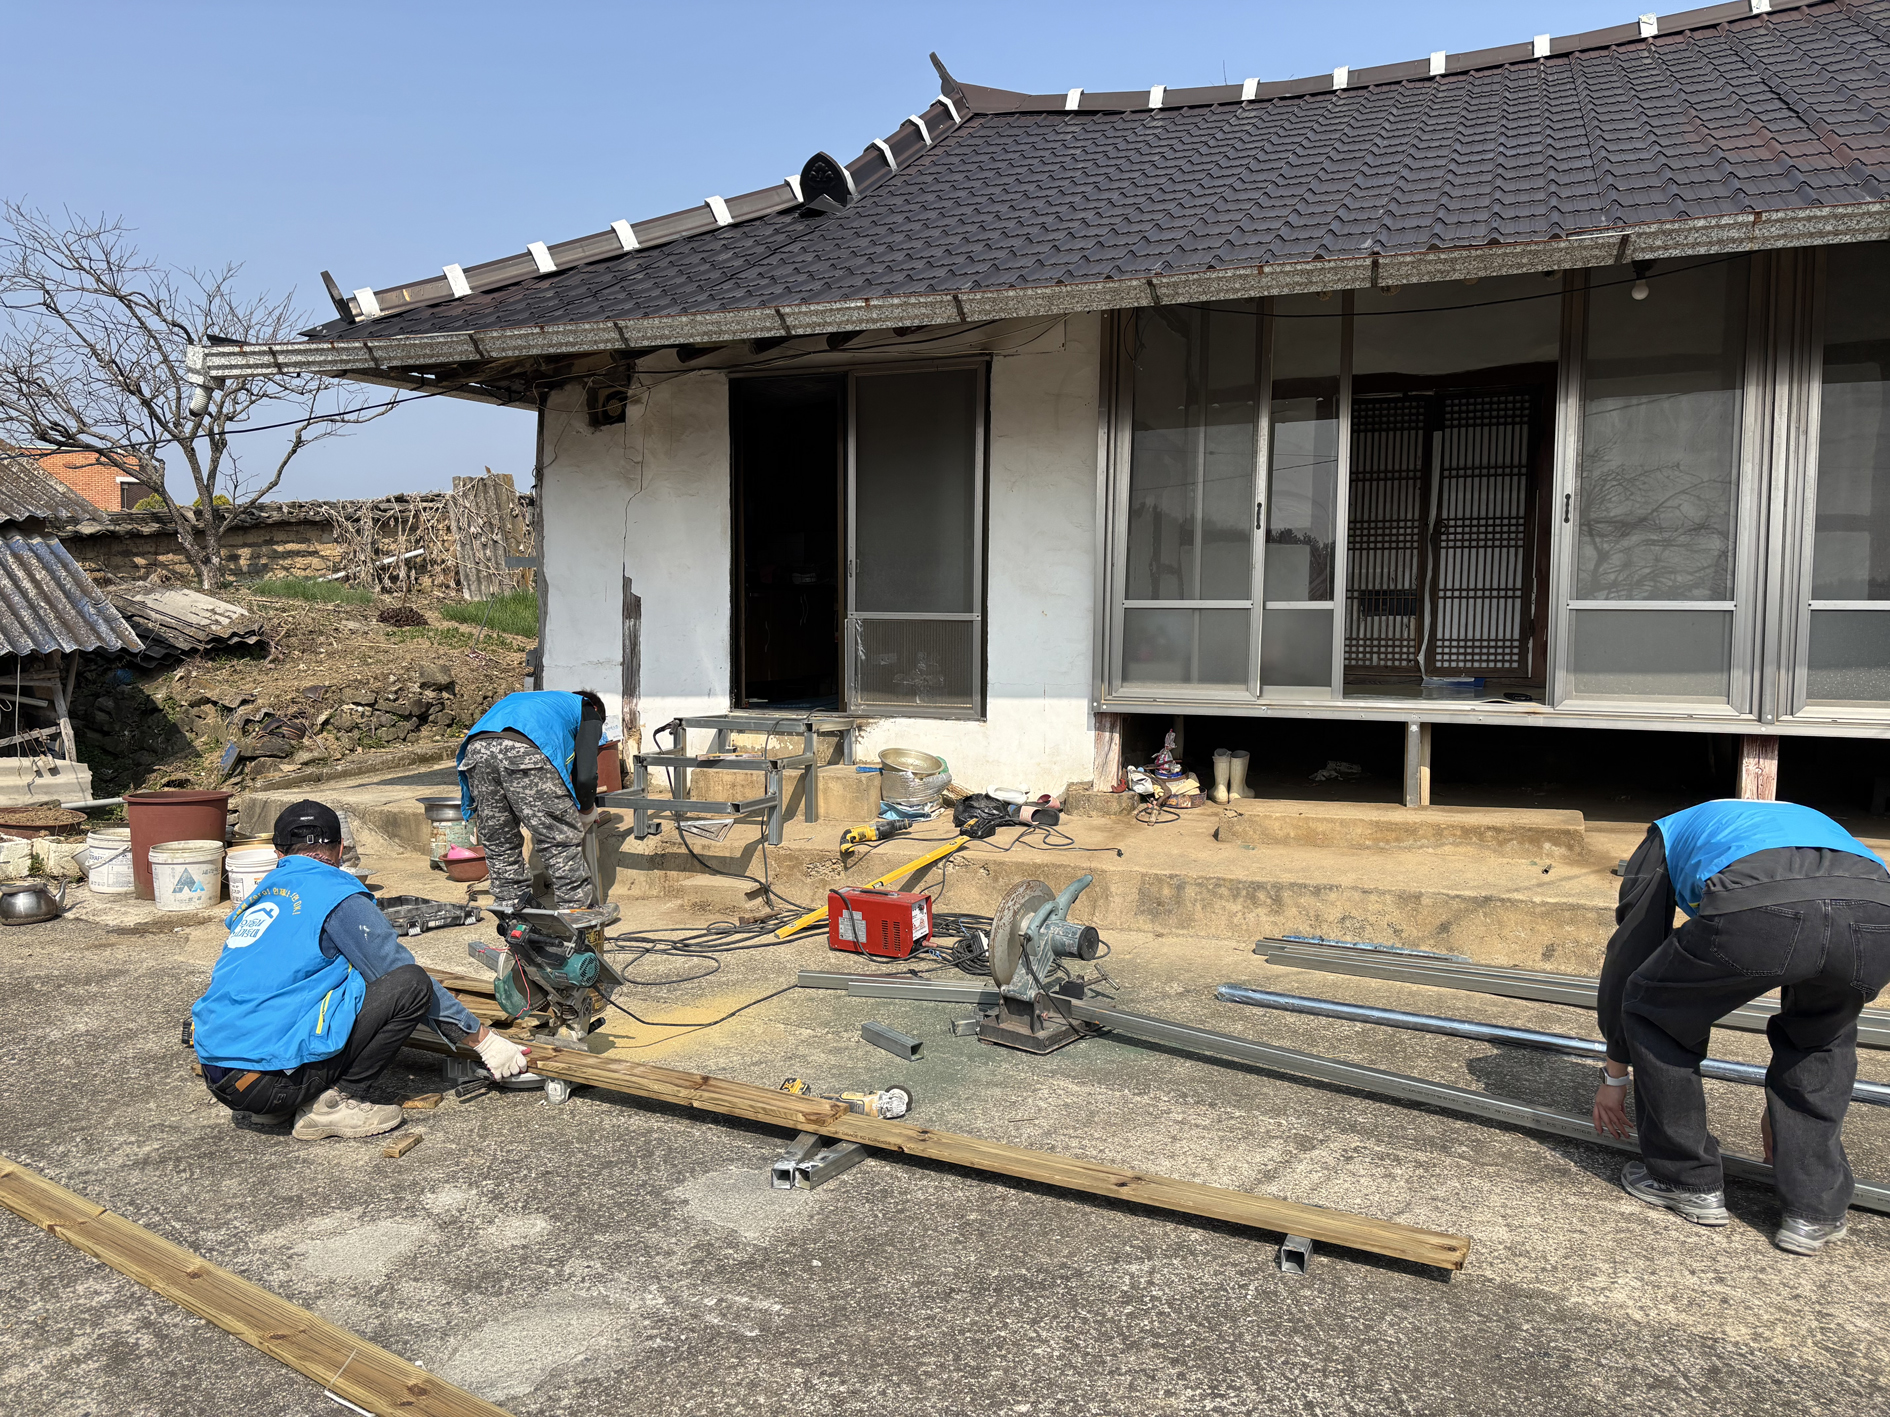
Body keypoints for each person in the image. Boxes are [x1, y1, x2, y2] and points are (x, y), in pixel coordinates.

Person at [1593, 797, 1890, 1254]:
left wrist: (1615, 1072)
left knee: (1655, 1008)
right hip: (1877, 916)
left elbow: (1632, 950)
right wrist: (1784, 1117)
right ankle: (1813, 1212)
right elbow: (1822, 916)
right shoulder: (1806, 820)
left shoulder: (1667, 834)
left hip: (1760, 908)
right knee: (1821, 1036)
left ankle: (1684, 1179)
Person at [192, 800, 531, 1140]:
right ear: (340, 849)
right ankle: (336, 1102)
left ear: (279, 854)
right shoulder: (336, 894)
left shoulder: (261, 896)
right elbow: (398, 971)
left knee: (334, 977)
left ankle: (275, 1106)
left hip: (222, 1075)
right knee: (409, 984)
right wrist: (485, 1043)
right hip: (270, 1081)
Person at [457, 688, 607, 915]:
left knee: (499, 841)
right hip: (524, 752)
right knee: (558, 839)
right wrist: (586, 811)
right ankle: (576, 914)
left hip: (476, 752)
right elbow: (585, 774)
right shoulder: (587, 709)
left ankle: (511, 914)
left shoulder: (530, 701)